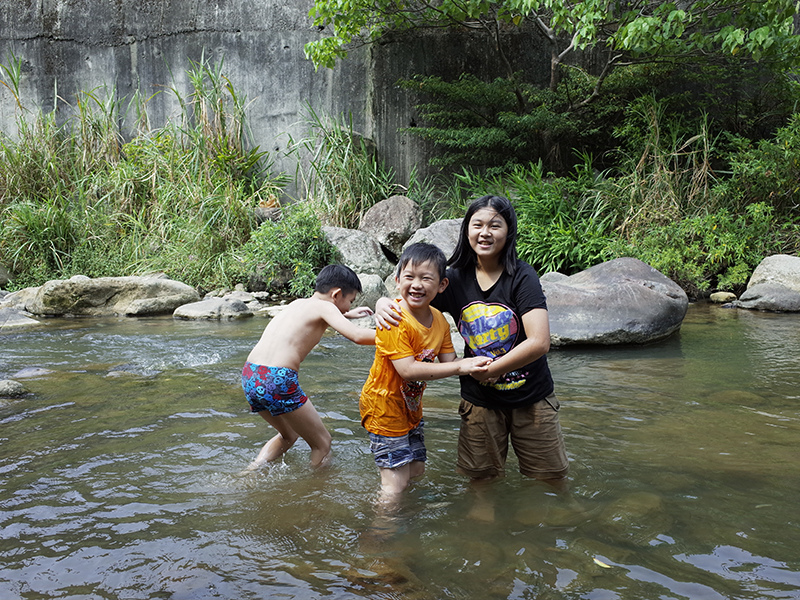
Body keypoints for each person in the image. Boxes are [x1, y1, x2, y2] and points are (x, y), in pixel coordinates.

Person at [375, 196, 569, 492]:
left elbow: (540, 342)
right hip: (479, 400)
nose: (485, 232)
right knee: (481, 481)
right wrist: (382, 303)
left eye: (495, 225)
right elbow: (413, 297)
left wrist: (495, 369)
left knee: (551, 479)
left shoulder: (522, 276)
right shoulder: (452, 279)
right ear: (467, 230)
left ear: (509, 231)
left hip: (531, 395)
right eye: (477, 224)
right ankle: (481, 537)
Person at [359, 243, 492, 503]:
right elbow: (408, 370)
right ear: (397, 281)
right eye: (409, 277)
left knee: (416, 471)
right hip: (383, 405)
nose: (416, 284)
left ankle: (406, 519)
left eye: (426, 278)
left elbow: (450, 360)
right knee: (395, 483)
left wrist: (482, 366)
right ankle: (380, 535)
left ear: (441, 285)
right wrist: (461, 366)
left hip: (410, 408)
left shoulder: (439, 320)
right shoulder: (393, 318)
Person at [242, 264, 375, 470]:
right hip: (278, 377)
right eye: (349, 301)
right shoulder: (327, 308)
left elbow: (314, 318)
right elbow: (357, 336)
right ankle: (315, 493)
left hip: (251, 374)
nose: (349, 307)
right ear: (336, 294)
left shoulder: (299, 304)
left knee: (289, 435)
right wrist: (399, 337)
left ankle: (251, 472)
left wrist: (346, 314)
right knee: (323, 444)